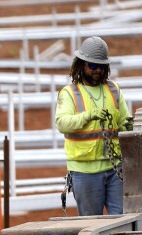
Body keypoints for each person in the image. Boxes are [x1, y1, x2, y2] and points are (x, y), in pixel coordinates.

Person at [54, 36, 131, 216]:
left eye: (102, 67)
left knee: (121, 219)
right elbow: (62, 123)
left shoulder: (113, 90)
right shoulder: (70, 93)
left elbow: (124, 123)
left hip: (115, 169)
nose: (98, 70)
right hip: (84, 171)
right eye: (93, 66)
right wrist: (88, 116)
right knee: (92, 223)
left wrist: (134, 126)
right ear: (81, 65)